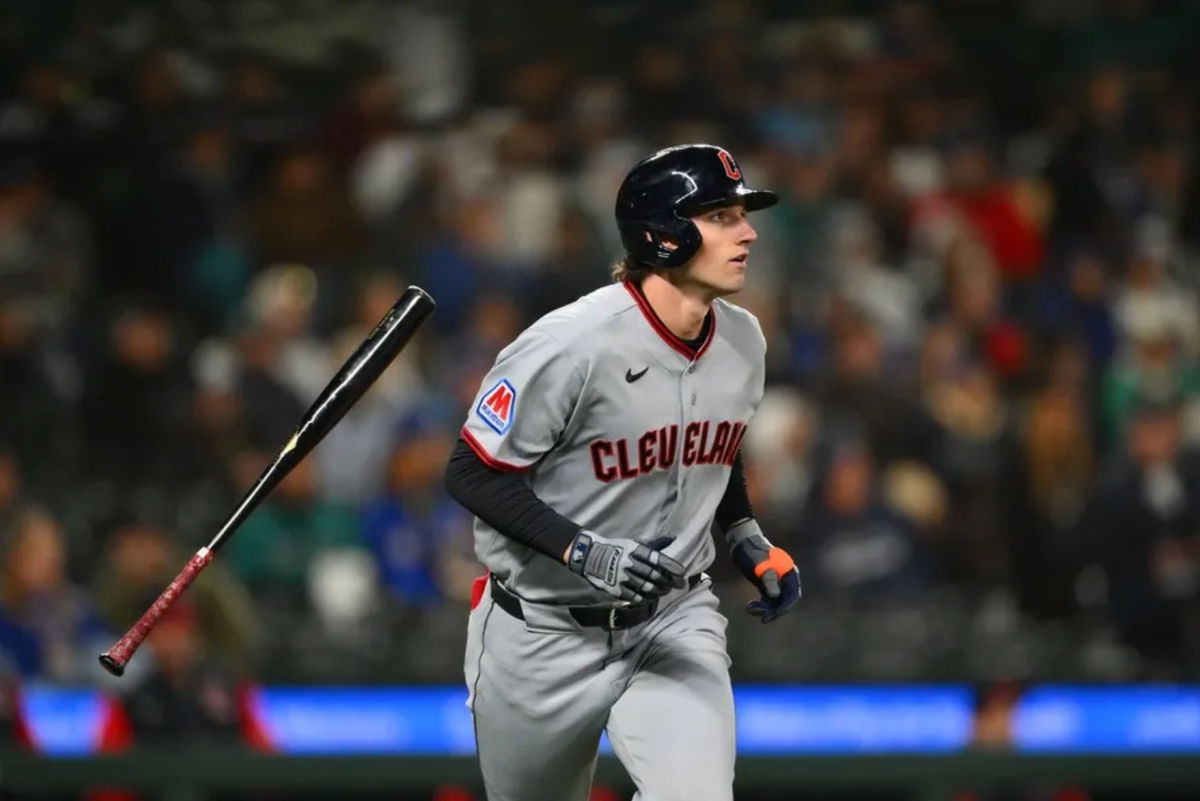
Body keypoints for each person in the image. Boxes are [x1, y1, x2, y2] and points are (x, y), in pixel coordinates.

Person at [444, 144, 802, 801]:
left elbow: (711, 445)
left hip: (672, 618)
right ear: (663, 237)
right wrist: (584, 551)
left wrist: (745, 531)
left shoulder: (743, 338)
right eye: (722, 216)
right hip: (542, 629)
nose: (747, 231)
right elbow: (471, 472)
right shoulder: (568, 346)